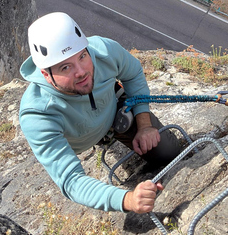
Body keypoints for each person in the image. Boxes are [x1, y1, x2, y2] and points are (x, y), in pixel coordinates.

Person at [18, 12, 181, 213]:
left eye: (82, 56)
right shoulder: (37, 113)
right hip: (79, 138)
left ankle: (118, 129)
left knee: (170, 153)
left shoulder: (103, 50)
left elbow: (134, 73)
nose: (81, 72)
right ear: (46, 75)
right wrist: (128, 200)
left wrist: (145, 124)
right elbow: (71, 180)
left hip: (114, 113)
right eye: (66, 67)